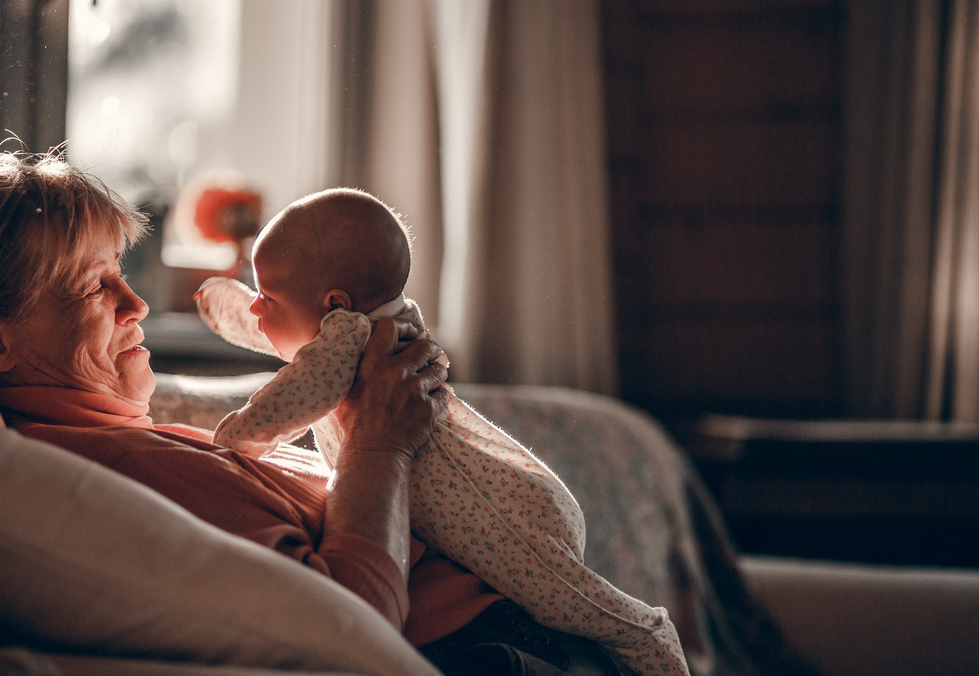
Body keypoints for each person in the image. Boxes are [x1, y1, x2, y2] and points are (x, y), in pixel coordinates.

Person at [0, 150, 641, 676]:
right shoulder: (119, 469)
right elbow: (353, 624)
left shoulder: (131, 437)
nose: (139, 304)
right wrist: (380, 446)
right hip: (485, 654)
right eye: (96, 289)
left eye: (124, 275)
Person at [195, 188, 688, 676]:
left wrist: (233, 441)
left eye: (266, 298)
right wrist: (245, 306)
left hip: (505, 515)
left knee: (580, 608)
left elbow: (290, 399)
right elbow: (294, 339)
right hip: (523, 493)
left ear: (336, 307)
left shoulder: (347, 343)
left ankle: (653, 640)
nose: (257, 313)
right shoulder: (377, 324)